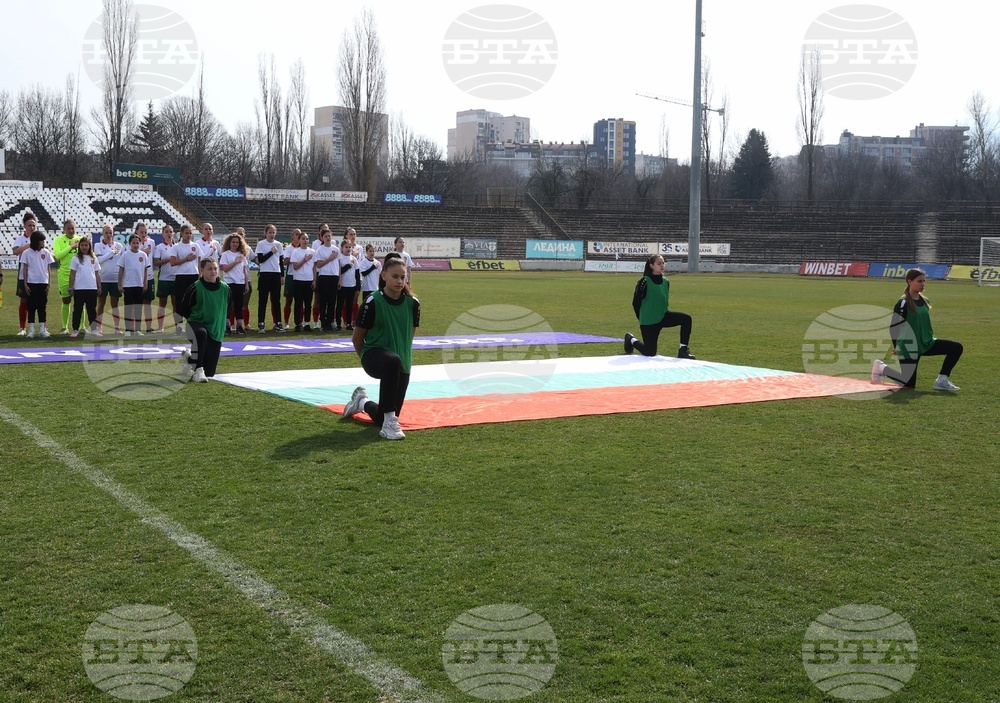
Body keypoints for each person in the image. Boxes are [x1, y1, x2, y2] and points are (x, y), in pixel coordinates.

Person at [342, 255, 421, 441]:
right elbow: (357, 338)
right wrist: (366, 358)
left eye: (403, 277)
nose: (400, 281)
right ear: (384, 275)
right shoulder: (372, 301)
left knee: (384, 414)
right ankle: (388, 427)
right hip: (373, 356)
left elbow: (409, 334)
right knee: (392, 361)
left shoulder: (413, 304)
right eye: (395, 276)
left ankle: (361, 401)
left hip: (401, 362)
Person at [872, 268, 963, 391]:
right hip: (909, 346)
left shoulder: (924, 300)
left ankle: (941, 380)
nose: (923, 284)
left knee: (956, 347)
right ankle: (881, 367)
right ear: (909, 281)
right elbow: (894, 327)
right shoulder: (903, 303)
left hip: (927, 342)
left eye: (924, 281)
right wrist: (897, 346)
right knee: (908, 384)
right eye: (919, 281)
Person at [624, 254, 695, 359]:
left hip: (663, 316)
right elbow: (636, 302)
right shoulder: (644, 281)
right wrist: (642, 318)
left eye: (663, 263)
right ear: (651, 265)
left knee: (686, 319)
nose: (662, 265)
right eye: (659, 263)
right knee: (650, 353)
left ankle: (683, 351)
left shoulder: (666, 281)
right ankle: (630, 339)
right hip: (649, 321)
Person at [178, 259, 233, 383]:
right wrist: (196, 319)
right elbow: (183, 308)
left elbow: (228, 306)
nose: (213, 271)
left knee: (210, 372)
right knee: (201, 334)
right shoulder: (195, 288)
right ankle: (198, 370)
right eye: (209, 269)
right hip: (195, 326)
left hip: (215, 329)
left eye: (215, 268)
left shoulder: (225, 288)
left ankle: (189, 359)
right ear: (201, 270)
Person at [51, 219, 83, 334]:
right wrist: (71, 246)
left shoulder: (80, 240)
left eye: (72, 228)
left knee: (80, 300)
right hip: (64, 274)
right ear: (64, 229)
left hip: (79, 275)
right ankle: (65, 327)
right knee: (66, 300)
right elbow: (58, 255)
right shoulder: (58, 240)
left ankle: (82, 327)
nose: (70, 230)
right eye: (68, 228)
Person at [19, 230, 52, 338]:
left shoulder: (46, 252)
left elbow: (48, 268)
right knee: (31, 306)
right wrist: (25, 284)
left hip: (43, 283)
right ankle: (31, 330)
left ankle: (43, 329)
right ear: (35, 241)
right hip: (31, 283)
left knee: (42, 306)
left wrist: (49, 283)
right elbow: (25, 269)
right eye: (41, 241)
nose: (43, 243)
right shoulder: (26, 252)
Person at [68, 236, 103, 337]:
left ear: (89, 246)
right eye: (82, 245)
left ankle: (94, 329)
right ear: (79, 246)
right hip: (79, 288)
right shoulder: (76, 258)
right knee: (77, 310)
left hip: (91, 288)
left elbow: (97, 273)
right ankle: (75, 329)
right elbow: (72, 274)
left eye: (86, 245)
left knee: (91, 310)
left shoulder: (93, 258)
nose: (84, 247)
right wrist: (71, 287)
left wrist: (99, 286)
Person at [117, 234, 149, 336]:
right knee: (128, 308)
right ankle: (128, 329)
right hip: (128, 285)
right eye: (133, 243)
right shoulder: (125, 255)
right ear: (129, 243)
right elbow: (121, 270)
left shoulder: (143, 255)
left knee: (138, 308)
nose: (135, 245)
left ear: (140, 243)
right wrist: (119, 284)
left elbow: (145, 270)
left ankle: (138, 329)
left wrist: (145, 283)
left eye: (137, 243)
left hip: (139, 285)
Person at [170, 224, 202, 326]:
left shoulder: (195, 246)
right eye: (186, 233)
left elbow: (200, 261)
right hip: (181, 276)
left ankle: (192, 324)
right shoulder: (176, 247)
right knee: (180, 301)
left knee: (193, 301)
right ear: (181, 234)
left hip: (193, 275)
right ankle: (178, 326)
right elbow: (172, 262)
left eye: (190, 233)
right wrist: (186, 259)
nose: (188, 235)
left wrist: (200, 274)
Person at [254, 224, 283, 333]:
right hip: (265, 273)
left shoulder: (278, 244)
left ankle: (278, 323)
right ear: (265, 233)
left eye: (273, 232)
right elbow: (260, 259)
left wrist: (282, 275)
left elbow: (280, 260)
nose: (271, 234)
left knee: (276, 300)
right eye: (269, 232)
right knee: (263, 300)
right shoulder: (261, 244)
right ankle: (261, 323)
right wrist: (271, 252)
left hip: (276, 273)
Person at [219, 232, 250, 334]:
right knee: (228, 305)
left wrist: (246, 283)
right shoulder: (225, 254)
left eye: (237, 242)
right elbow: (225, 269)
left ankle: (239, 326)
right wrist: (235, 262)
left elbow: (244, 270)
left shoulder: (242, 255)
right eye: (233, 242)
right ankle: (227, 326)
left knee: (239, 305)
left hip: (240, 282)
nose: (235, 244)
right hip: (229, 282)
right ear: (229, 243)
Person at [95, 225, 123, 334]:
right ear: (102, 234)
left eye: (110, 233)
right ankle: (98, 327)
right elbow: (99, 260)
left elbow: (121, 262)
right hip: (102, 279)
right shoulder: (98, 245)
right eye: (106, 233)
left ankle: (117, 327)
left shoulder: (119, 246)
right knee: (101, 303)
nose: (108, 235)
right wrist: (111, 252)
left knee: (115, 304)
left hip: (115, 279)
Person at [313, 228, 341, 332]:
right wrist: (330, 258)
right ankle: (323, 323)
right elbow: (319, 264)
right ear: (322, 238)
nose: (328, 238)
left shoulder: (336, 249)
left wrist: (339, 279)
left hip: (334, 277)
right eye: (326, 236)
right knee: (323, 301)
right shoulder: (320, 250)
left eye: (329, 236)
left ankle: (330, 322)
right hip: (324, 276)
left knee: (332, 301)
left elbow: (338, 265)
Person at [13, 214, 36, 336]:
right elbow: (15, 251)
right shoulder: (20, 239)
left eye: (33, 225)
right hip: (23, 274)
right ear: (25, 227)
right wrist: (28, 245)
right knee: (24, 300)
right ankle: (22, 327)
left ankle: (41, 327)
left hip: (37, 275)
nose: (32, 227)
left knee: (39, 302)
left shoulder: (39, 238)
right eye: (29, 225)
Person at [288, 232, 316, 332]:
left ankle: (307, 323)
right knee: (298, 303)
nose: (305, 240)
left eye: (307, 239)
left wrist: (314, 280)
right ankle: (298, 323)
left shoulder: (312, 251)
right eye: (303, 238)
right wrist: (305, 259)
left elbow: (314, 267)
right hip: (298, 280)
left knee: (308, 303)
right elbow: (295, 266)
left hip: (309, 280)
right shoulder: (296, 252)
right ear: (299, 240)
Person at [153, 225, 177, 333]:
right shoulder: (159, 247)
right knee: (162, 303)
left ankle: (178, 327)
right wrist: (168, 259)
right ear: (163, 234)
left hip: (176, 279)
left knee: (176, 304)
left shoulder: (177, 246)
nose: (169, 233)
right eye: (167, 231)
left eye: (170, 231)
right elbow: (156, 263)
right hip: (164, 279)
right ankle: (160, 327)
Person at [136, 222, 157, 332]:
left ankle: (149, 327)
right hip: (137, 278)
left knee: (148, 302)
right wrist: (141, 252)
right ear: (136, 232)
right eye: (141, 232)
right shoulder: (134, 243)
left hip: (149, 277)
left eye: (145, 232)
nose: (143, 234)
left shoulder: (151, 242)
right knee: (137, 303)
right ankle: (136, 327)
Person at [281, 229, 303, 330]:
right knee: (289, 300)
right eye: (296, 234)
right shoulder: (289, 249)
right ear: (292, 237)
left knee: (300, 301)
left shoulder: (304, 248)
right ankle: (286, 322)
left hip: (302, 276)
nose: (298, 236)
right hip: (291, 275)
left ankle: (300, 322)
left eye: (300, 234)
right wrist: (294, 257)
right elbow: (285, 262)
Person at [336, 239, 358, 330]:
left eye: (350, 247)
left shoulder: (354, 259)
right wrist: (348, 265)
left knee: (350, 305)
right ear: (342, 248)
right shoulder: (339, 258)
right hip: (342, 285)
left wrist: (357, 286)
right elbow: (340, 271)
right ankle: (338, 323)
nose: (348, 249)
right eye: (346, 247)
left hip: (351, 285)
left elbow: (357, 272)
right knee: (340, 305)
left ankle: (348, 323)